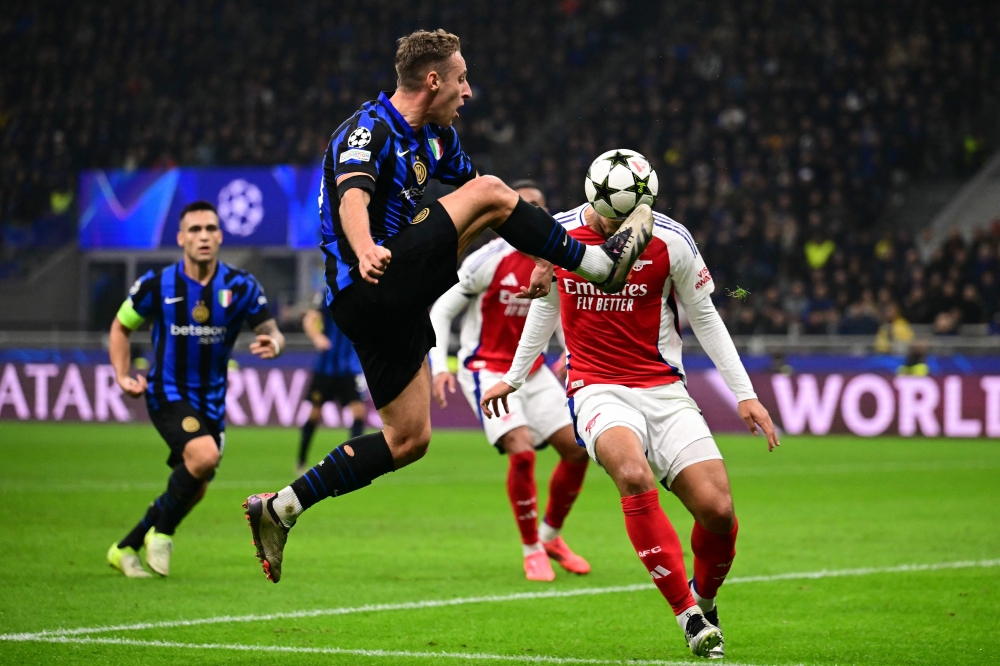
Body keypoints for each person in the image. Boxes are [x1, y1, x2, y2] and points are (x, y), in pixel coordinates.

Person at [243, 29, 654, 583]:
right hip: (372, 279)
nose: (468, 90)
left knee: (409, 440)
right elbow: (353, 196)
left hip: (392, 302)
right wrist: (365, 248)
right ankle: (600, 266)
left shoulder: (438, 138)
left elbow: (501, 208)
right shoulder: (368, 129)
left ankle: (282, 508)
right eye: (461, 78)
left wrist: (544, 254)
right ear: (433, 79)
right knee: (488, 193)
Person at [479, 186, 780, 659]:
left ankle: (705, 601)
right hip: (596, 387)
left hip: (663, 389)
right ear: (591, 201)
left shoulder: (672, 241)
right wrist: (514, 378)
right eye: (602, 220)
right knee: (633, 475)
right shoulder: (559, 231)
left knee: (719, 512)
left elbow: (705, 315)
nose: (609, 231)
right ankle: (689, 618)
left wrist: (746, 395)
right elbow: (545, 304)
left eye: (620, 224)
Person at [106, 201, 284, 578]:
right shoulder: (158, 285)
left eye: (209, 229)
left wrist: (274, 344)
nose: (203, 236)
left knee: (195, 486)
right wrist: (122, 375)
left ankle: (125, 547)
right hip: (167, 393)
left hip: (212, 403)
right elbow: (121, 327)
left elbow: (271, 330)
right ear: (181, 238)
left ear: (219, 236)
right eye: (195, 230)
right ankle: (163, 534)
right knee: (203, 458)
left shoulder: (241, 286)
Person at [429, 180, 590, 582]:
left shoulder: (558, 258)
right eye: (525, 206)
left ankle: (551, 536)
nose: (532, 213)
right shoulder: (488, 260)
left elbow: (561, 311)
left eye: (539, 207)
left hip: (532, 370)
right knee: (522, 452)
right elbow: (440, 311)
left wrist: (570, 353)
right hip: (486, 368)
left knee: (578, 450)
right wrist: (440, 367)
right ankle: (531, 548)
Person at [297, 298, 368, 475]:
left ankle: (353, 462)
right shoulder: (328, 292)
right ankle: (301, 460)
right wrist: (317, 337)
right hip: (326, 368)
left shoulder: (367, 293)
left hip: (351, 367)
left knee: (359, 412)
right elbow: (310, 319)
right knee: (315, 414)